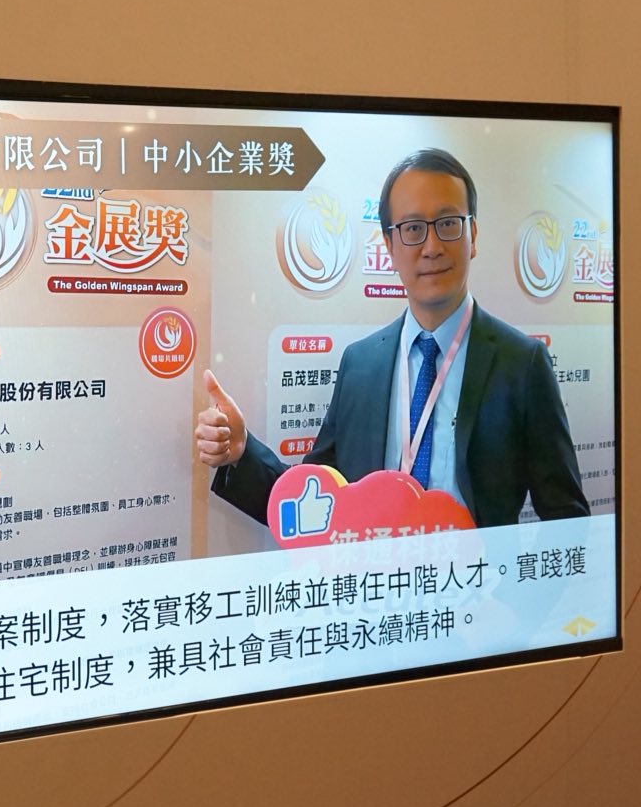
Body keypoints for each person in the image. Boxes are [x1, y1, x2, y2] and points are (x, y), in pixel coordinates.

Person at [197, 148, 589, 529]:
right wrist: (241, 452)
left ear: (473, 234)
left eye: (448, 223)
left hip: (477, 574)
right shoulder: (360, 364)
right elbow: (314, 495)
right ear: (389, 246)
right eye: (413, 229)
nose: (432, 247)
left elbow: (566, 517)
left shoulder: (521, 363)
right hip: (371, 574)